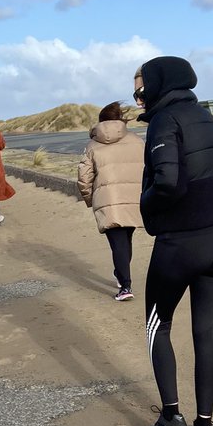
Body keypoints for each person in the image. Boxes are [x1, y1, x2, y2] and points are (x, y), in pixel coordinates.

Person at [135, 56, 213, 426]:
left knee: (157, 326)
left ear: (160, 84)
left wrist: (147, 209)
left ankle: (172, 420)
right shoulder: (209, 118)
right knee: (205, 329)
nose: (139, 96)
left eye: (142, 88)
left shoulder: (166, 121)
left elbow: (168, 182)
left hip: (180, 244)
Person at [76, 101, 144, 301]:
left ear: (101, 121)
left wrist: (90, 199)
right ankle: (121, 275)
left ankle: (125, 286)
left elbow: (84, 178)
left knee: (118, 243)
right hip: (134, 198)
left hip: (107, 200)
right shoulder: (137, 140)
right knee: (125, 239)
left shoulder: (92, 145)